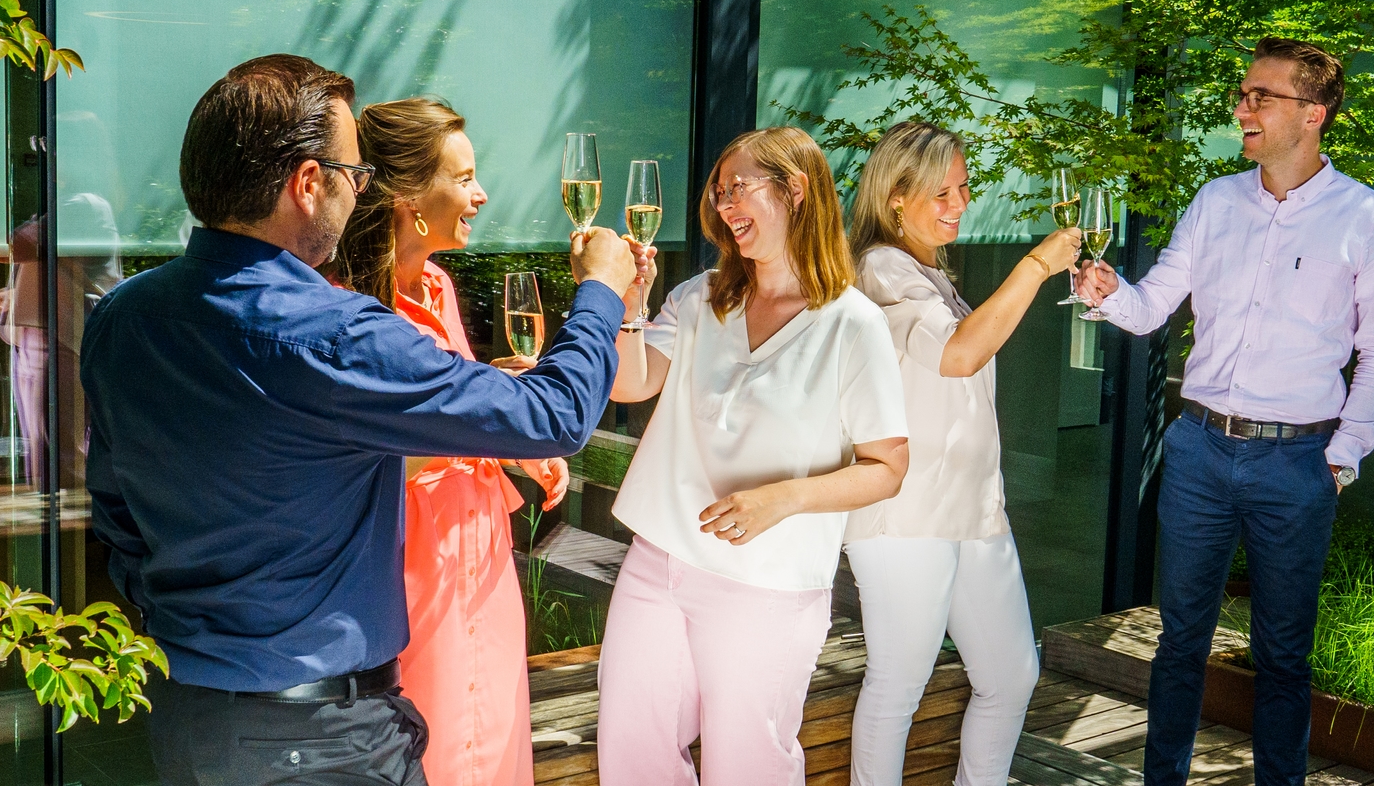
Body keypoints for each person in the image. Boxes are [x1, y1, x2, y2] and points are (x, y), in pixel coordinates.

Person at [81, 54, 640, 785]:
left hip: (190, 722)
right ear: (308, 185)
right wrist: (602, 290)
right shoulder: (336, 333)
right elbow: (555, 413)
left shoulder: (125, 315)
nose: (359, 194)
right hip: (320, 742)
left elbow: (116, 509)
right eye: (355, 176)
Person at [1076, 38, 1374, 786]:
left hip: (1299, 462)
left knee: (1285, 654)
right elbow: (1154, 301)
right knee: (1180, 640)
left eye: (1261, 96)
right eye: (1243, 93)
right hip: (1198, 449)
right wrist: (1108, 292)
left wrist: (1343, 452)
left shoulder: (1366, 217)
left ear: (1313, 113)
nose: (1242, 108)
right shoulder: (1215, 202)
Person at [596, 126, 911, 785]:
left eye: (738, 186)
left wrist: (783, 497)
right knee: (632, 752)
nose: (724, 204)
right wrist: (628, 308)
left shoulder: (853, 324)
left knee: (747, 767)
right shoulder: (702, 295)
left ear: (794, 189)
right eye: (719, 193)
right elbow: (630, 382)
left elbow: (888, 467)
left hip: (766, 584)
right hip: (659, 562)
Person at [329, 96, 566, 786]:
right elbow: (355, 459)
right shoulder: (345, 307)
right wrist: (487, 428)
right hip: (407, 577)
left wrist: (507, 429)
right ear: (405, 198)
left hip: (480, 565)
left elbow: (449, 414)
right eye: (463, 177)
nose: (481, 193)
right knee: (431, 750)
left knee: (493, 749)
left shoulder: (438, 286)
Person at [844, 121, 1082, 786]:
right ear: (894, 194)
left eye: (963, 188)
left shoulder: (925, 269)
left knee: (1011, 674)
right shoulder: (878, 268)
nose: (958, 203)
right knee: (897, 685)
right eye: (938, 191)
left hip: (973, 508)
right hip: (907, 514)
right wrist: (1036, 265)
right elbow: (958, 353)